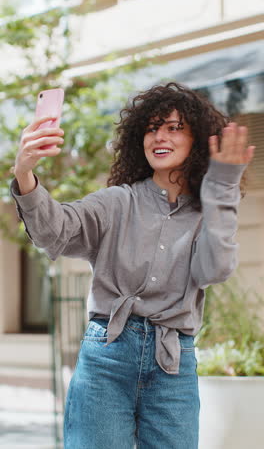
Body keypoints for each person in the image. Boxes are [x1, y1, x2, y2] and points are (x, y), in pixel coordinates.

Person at [10, 81, 255, 449]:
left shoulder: (207, 214)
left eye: (175, 127)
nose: (161, 135)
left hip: (173, 366)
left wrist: (221, 190)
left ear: (197, 140)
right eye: (153, 127)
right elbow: (54, 232)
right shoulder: (116, 203)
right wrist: (25, 173)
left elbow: (213, 270)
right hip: (106, 359)